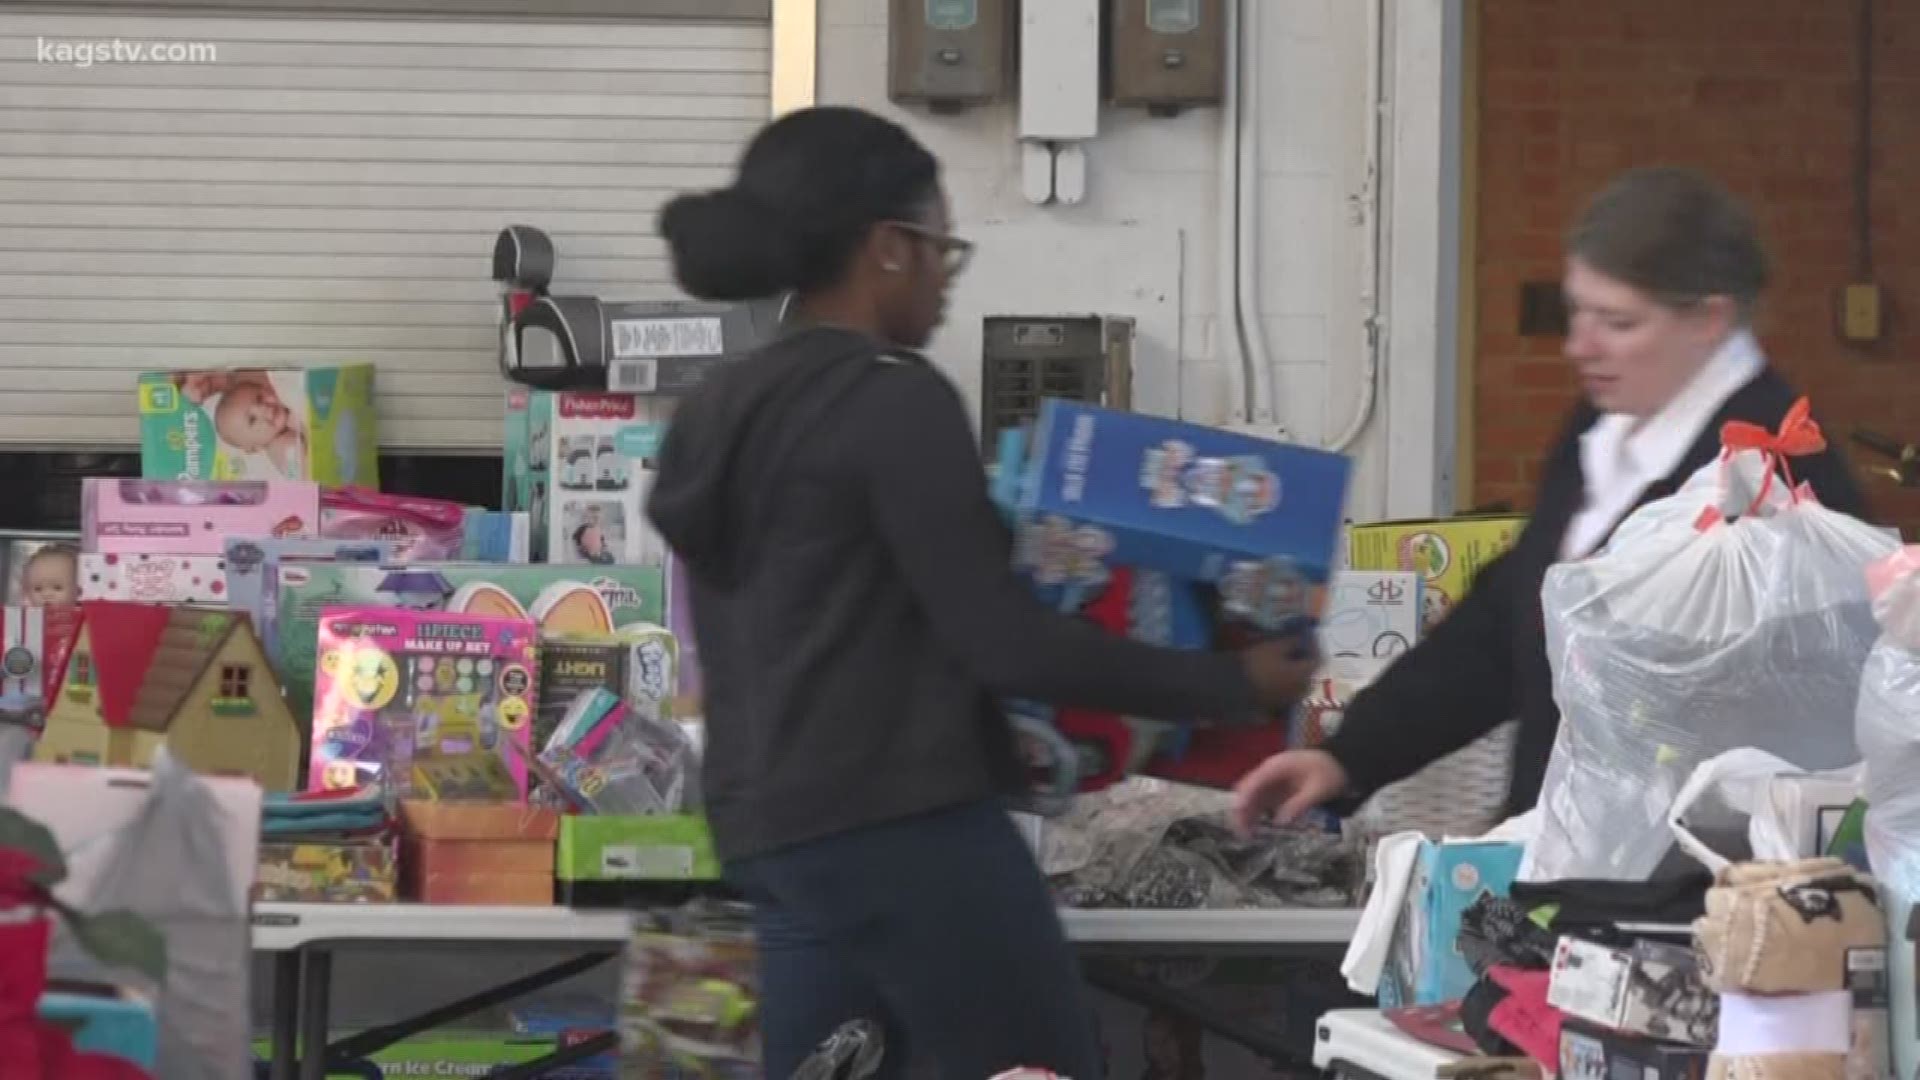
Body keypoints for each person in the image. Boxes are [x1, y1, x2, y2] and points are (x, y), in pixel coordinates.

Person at [645, 105, 1320, 1080]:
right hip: (906, 834)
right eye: (940, 253)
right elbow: (1003, 642)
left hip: (766, 837)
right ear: (887, 247)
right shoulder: (892, 397)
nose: (942, 285)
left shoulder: (717, 408)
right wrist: (1231, 681)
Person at [1232, 165, 1869, 835]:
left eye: (1618, 322)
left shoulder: (1783, 479)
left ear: (1709, 318)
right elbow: (1508, 627)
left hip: (1692, 890)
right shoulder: (1603, 429)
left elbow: (1776, 722)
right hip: (1568, 865)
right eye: (1578, 313)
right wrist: (1346, 759)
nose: (1578, 347)